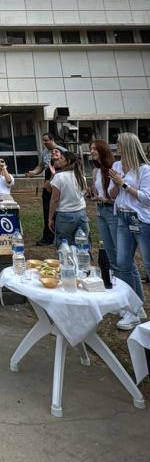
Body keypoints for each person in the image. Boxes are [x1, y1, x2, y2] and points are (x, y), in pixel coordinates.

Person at [109, 132, 150, 330]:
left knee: (148, 265)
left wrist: (123, 183)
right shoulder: (117, 166)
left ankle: (138, 309)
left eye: (118, 143)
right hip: (123, 218)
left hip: (140, 220)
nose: (116, 146)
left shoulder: (144, 170)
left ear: (127, 145)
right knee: (122, 264)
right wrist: (117, 184)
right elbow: (111, 194)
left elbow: (146, 198)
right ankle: (131, 310)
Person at [26, 133, 67, 245]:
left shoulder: (63, 151)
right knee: (47, 211)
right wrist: (33, 172)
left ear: (52, 140)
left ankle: (61, 235)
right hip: (47, 186)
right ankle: (48, 236)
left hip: (58, 186)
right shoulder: (45, 153)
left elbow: (68, 168)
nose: (44, 143)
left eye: (46, 140)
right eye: (43, 141)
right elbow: (41, 166)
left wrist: (53, 179)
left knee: (59, 211)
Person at [88, 139, 119, 276]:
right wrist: (90, 195)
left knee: (119, 254)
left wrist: (104, 199)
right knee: (109, 252)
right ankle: (115, 282)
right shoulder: (95, 171)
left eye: (95, 148)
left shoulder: (113, 169)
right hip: (100, 212)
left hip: (112, 212)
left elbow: (119, 199)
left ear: (103, 150)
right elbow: (96, 193)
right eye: (91, 149)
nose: (92, 151)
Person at [48, 149, 89, 247]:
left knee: (64, 246)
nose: (59, 160)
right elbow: (83, 193)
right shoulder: (81, 177)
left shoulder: (59, 177)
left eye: (62, 158)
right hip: (81, 214)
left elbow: (54, 199)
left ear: (68, 162)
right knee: (82, 245)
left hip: (65, 215)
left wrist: (50, 218)